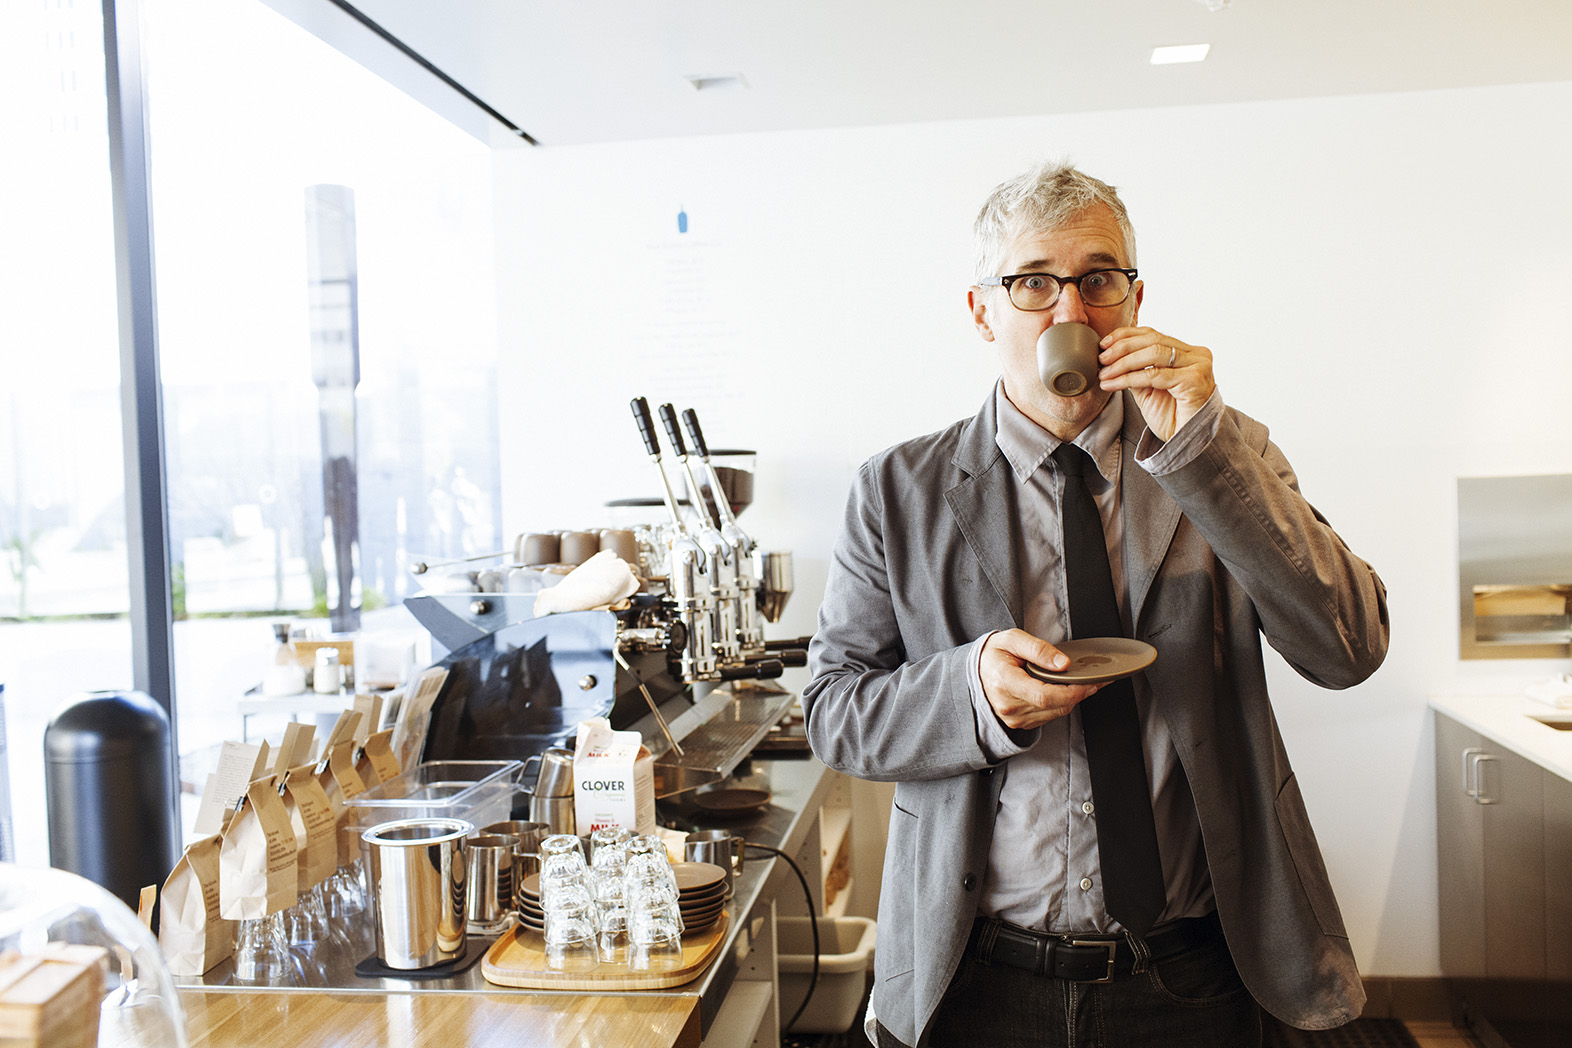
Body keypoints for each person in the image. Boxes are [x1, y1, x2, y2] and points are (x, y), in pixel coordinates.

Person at [802, 161, 1389, 1048]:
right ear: (982, 311)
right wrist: (971, 696)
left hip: (1194, 972)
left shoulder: (1221, 455)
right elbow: (834, 714)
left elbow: (1349, 647)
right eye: (1033, 281)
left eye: (1097, 279)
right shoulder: (897, 489)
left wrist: (1202, 448)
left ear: (1135, 298)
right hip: (975, 977)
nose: (1069, 312)